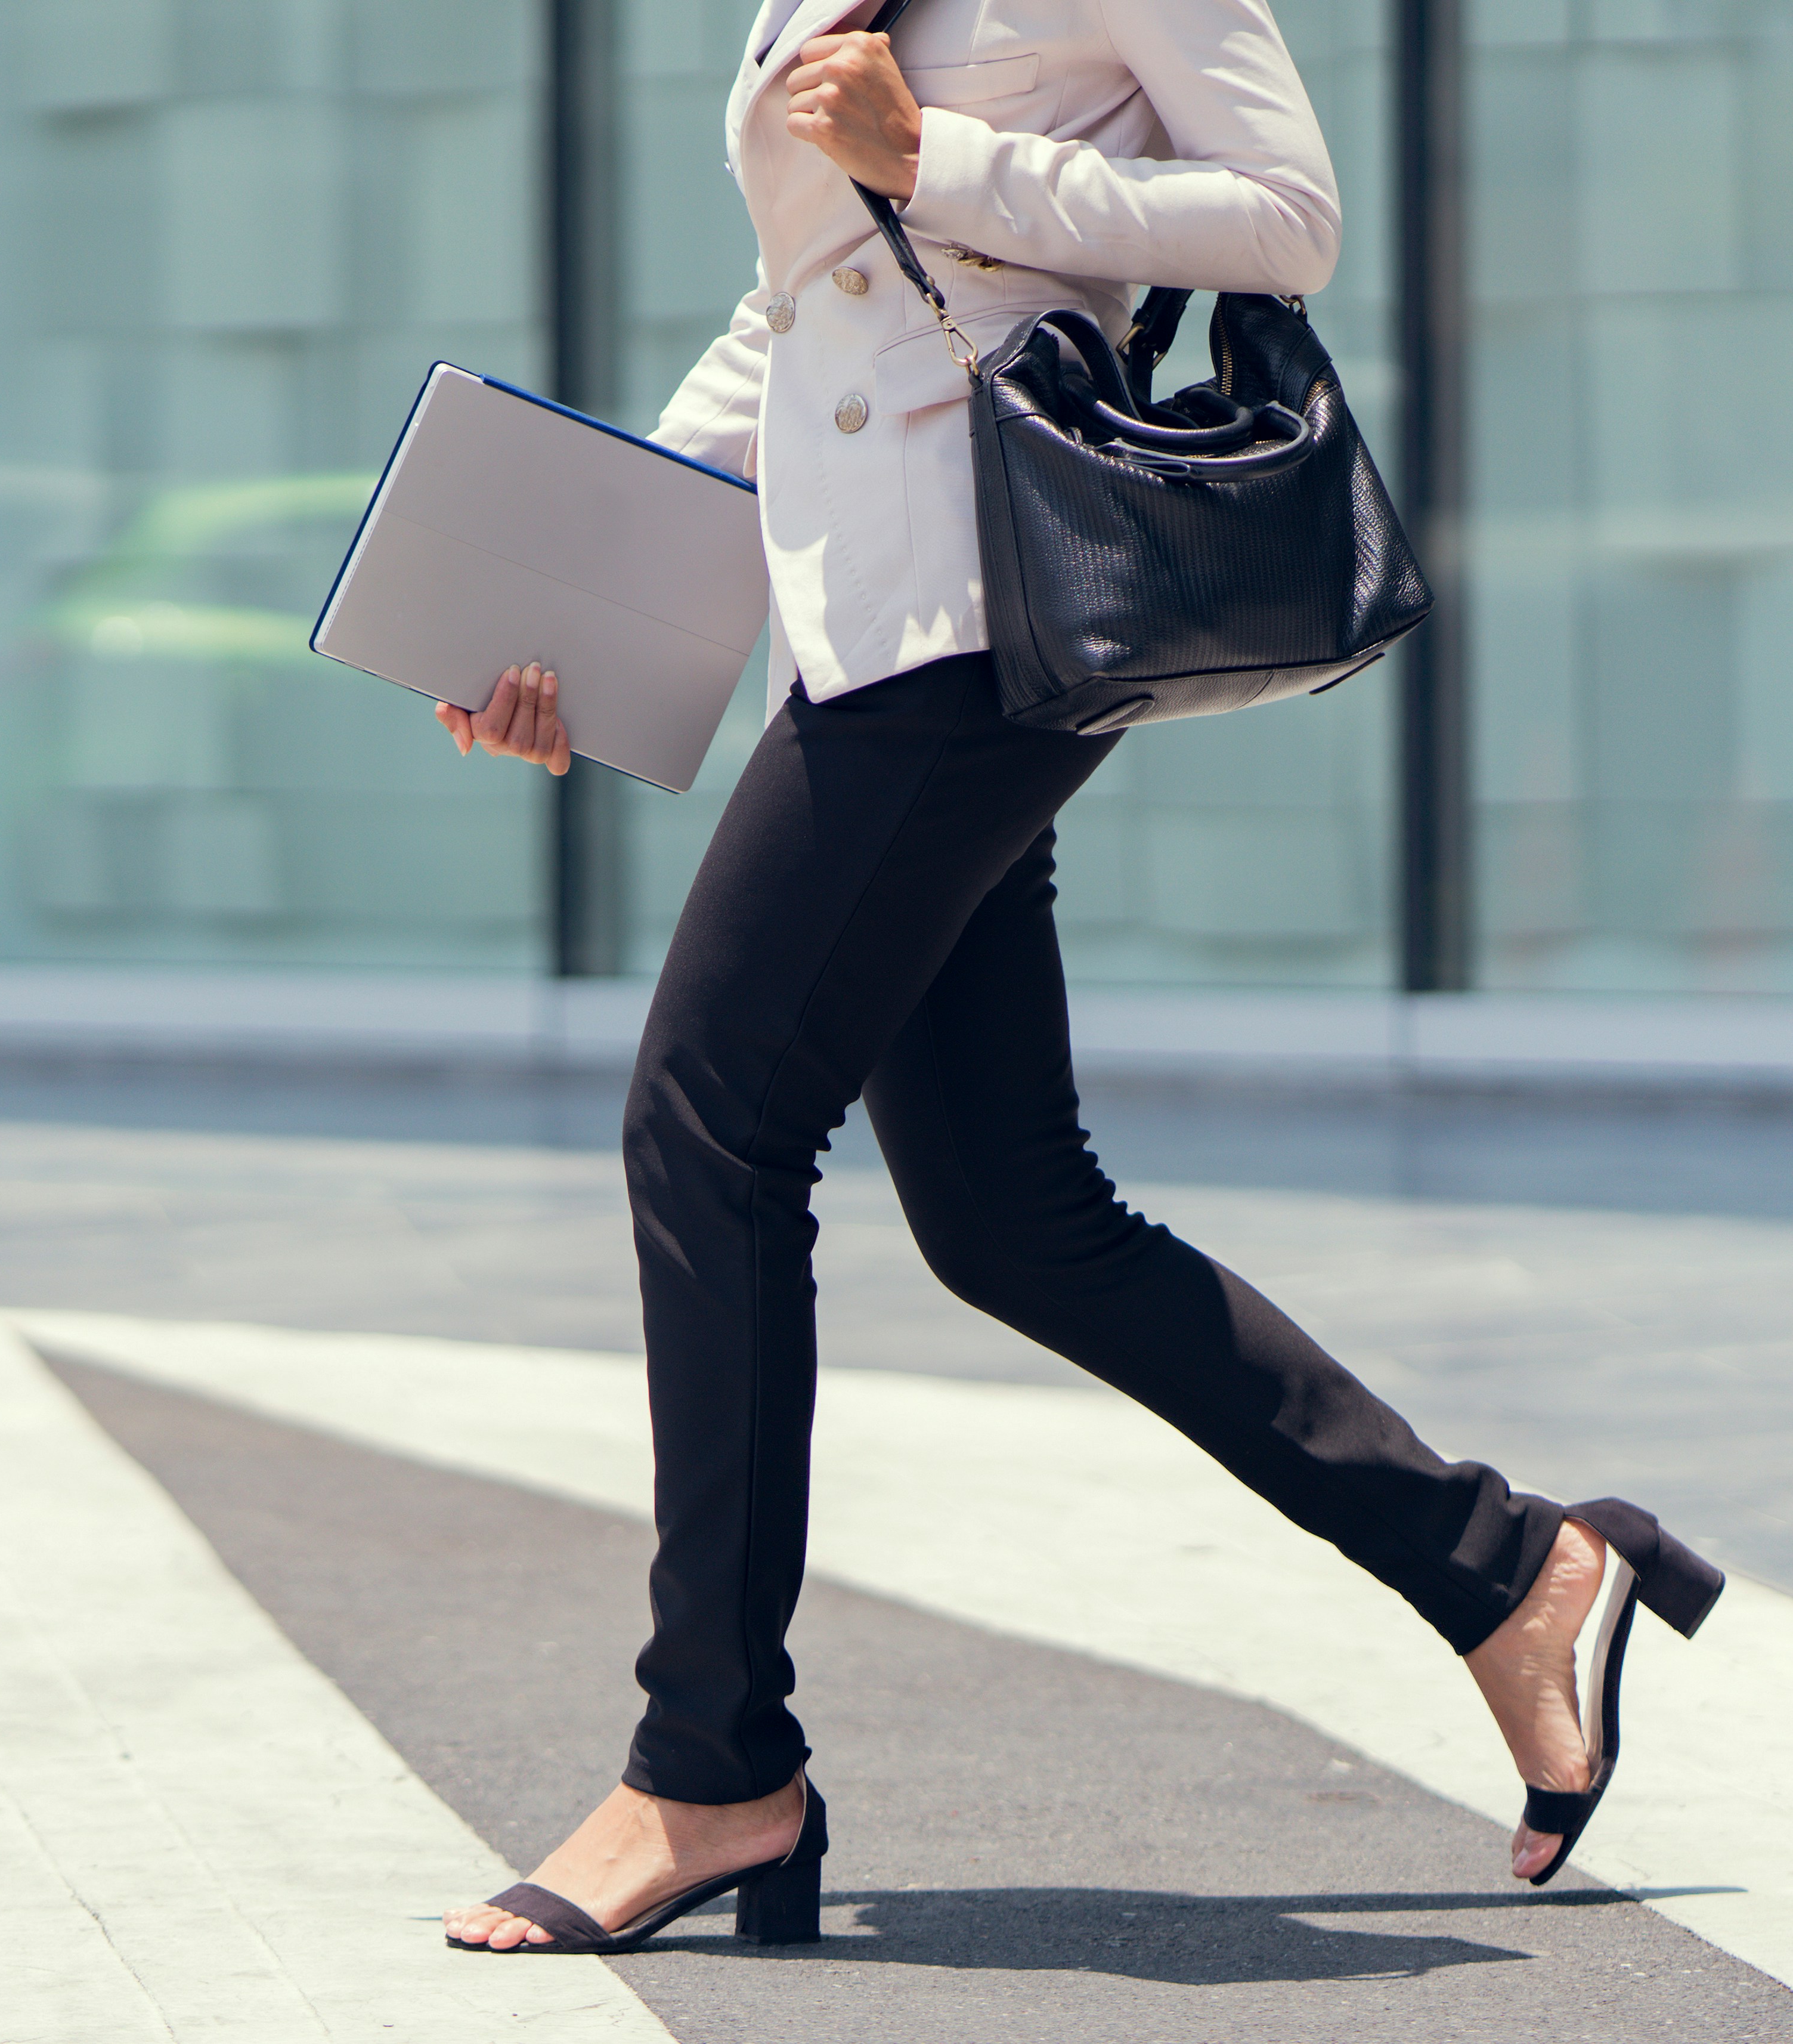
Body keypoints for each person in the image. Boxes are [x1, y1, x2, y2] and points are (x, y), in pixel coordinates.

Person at [433, 0, 1722, 1957]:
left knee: (707, 1128)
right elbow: (809, 310)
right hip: (864, 626)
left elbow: (1286, 216)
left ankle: (709, 1762)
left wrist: (935, 157)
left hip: (987, 608)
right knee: (1011, 1215)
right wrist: (576, 603)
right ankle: (1504, 1565)